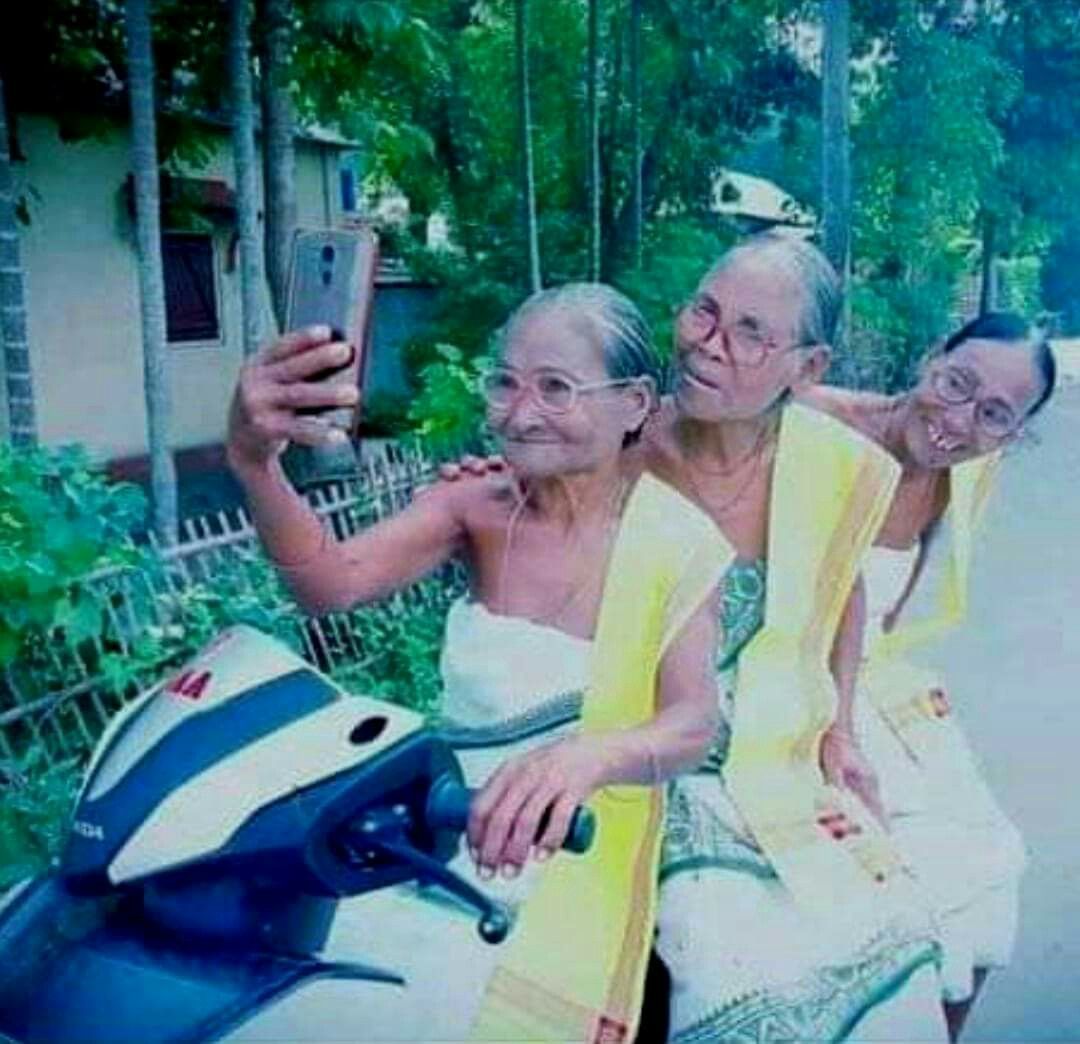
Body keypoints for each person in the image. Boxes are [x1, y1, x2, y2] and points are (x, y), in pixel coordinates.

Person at [442, 234, 949, 1041]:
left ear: (808, 368)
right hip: (635, 735)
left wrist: (842, 730)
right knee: (717, 952)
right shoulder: (617, 442)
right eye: (704, 312)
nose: (709, 343)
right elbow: (519, 513)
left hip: (772, 743)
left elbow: (840, 594)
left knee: (899, 933)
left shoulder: (832, 465)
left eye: (751, 333)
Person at [225, 282, 732, 1042]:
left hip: (589, 844)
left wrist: (585, 760)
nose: (520, 414)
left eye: (555, 388)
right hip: (444, 844)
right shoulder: (475, 508)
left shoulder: (676, 541)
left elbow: (693, 722)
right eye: (505, 383)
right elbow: (330, 584)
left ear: (633, 403)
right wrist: (253, 463)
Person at [800, 311, 1057, 1040]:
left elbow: (883, 616)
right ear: (930, 359)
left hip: (866, 682)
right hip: (780, 678)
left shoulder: (966, 475)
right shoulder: (816, 422)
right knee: (894, 881)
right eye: (956, 384)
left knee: (992, 861)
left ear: (1012, 435)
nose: (958, 420)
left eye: (994, 415)